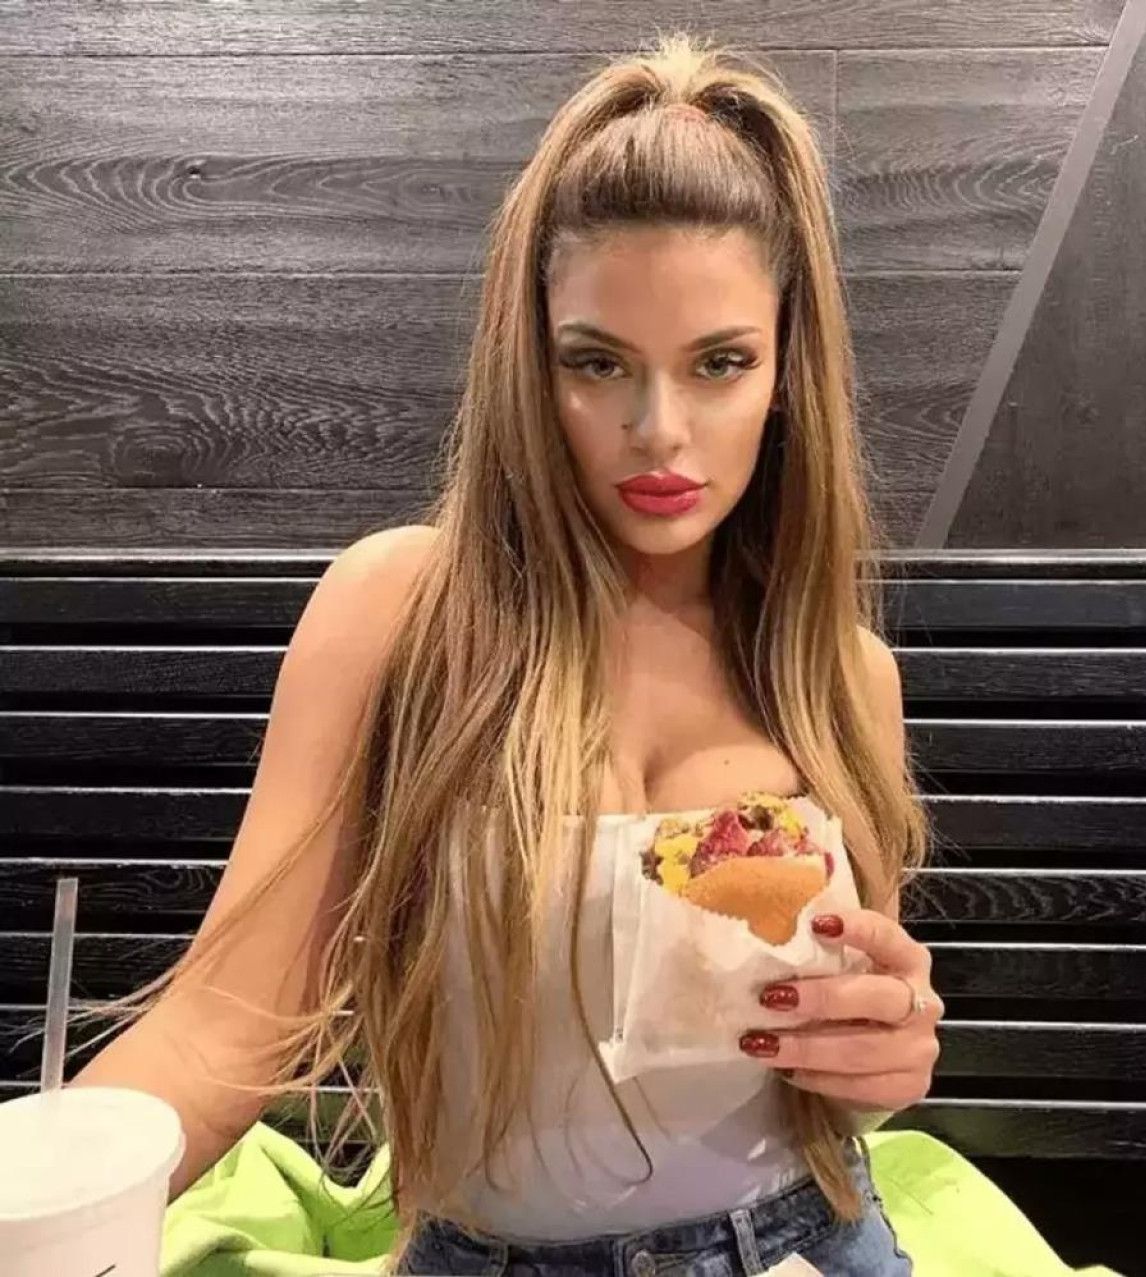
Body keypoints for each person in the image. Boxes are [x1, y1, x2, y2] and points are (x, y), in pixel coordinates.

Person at [70, 30, 942, 1277]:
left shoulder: (843, 673)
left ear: (785, 370)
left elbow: (845, 1052)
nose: (659, 430)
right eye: (597, 363)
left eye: (720, 363)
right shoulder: (406, 611)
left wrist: (887, 1057)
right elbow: (219, 1027)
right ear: (530, 363)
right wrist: (46, 1192)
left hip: (809, 1240)